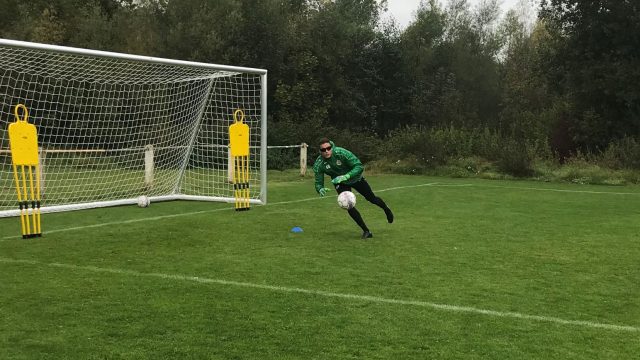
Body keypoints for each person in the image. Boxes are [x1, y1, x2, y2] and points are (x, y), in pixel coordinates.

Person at [313, 138, 394, 239]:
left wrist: (347, 176)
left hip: (355, 178)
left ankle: (386, 209)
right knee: (348, 205)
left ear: (331, 147)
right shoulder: (319, 164)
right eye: (323, 150)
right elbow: (318, 181)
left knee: (371, 198)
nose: (326, 151)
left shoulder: (342, 153)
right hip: (340, 183)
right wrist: (320, 188)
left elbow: (359, 166)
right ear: (319, 151)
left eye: (328, 148)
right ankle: (366, 231)